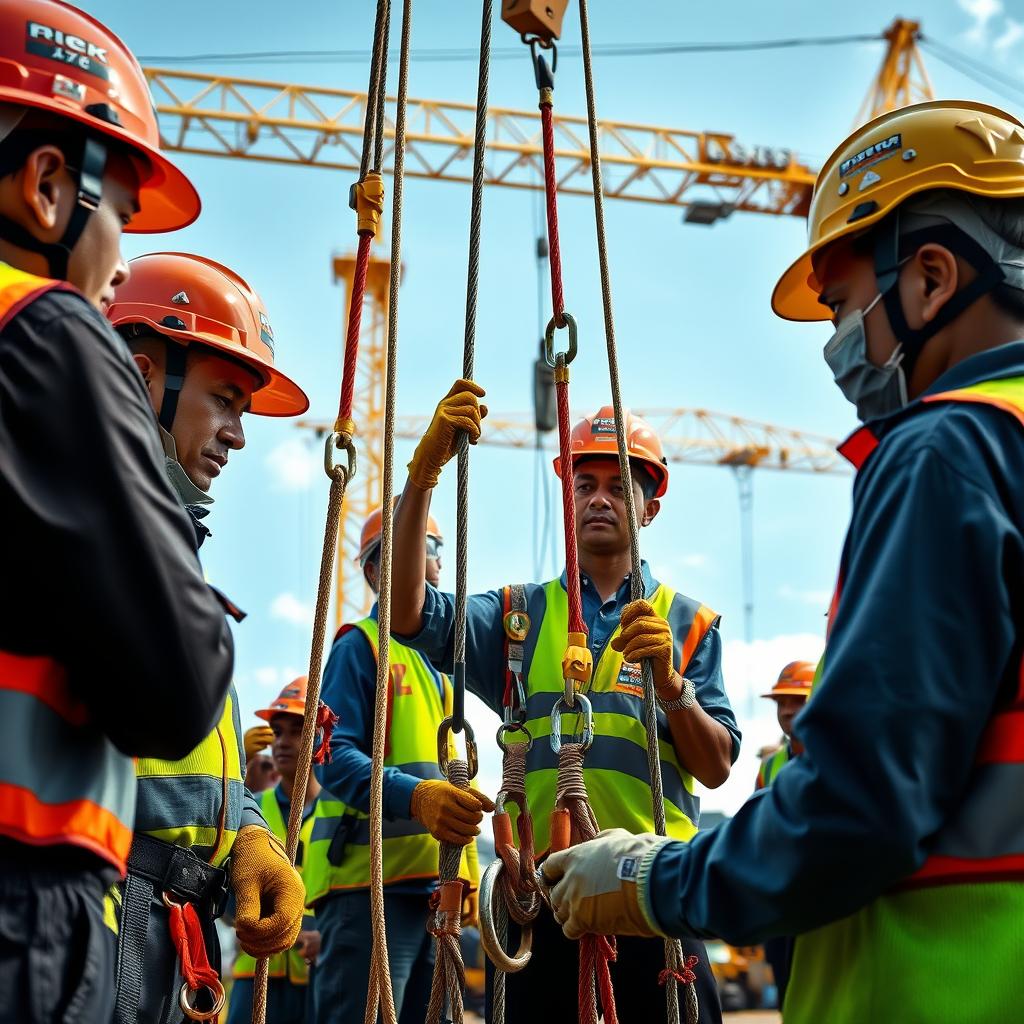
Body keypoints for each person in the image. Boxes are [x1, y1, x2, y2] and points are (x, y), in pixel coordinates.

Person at [541, 99, 1024, 1024]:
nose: (841, 345)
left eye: (842, 306)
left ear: (930, 278)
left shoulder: (950, 452)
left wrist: (649, 879)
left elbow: (856, 806)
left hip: (939, 985)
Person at [0, 3, 235, 1021]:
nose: (122, 267)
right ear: (49, 184)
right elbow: (175, 687)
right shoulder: (45, 328)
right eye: (123, 218)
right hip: (25, 903)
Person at [390, 395, 740, 1023]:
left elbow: (715, 768)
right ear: (566, 499)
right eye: (584, 485)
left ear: (650, 508)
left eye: (618, 486)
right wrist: (422, 479)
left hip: (652, 886)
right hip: (545, 891)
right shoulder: (516, 616)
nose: (598, 499)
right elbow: (408, 612)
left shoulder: (688, 625)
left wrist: (670, 684)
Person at [104, 251, 309, 1023]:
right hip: (105, 913)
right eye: (224, 400)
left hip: (165, 923)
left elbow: (195, 755)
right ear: (143, 379)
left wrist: (247, 835)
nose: (239, 436)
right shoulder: (86, 528)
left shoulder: (173, 551)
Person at [309, 504, 488, 1024]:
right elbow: (329, 757)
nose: (432, 561)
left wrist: (467, 875)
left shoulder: (439, 667)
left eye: (433, 550)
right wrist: (415, 797)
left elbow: (452, 777)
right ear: (373, 571)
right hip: (368, 892)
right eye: (422, 549)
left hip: (433, 892)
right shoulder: (360, 648)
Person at [229, 677, 336, 1024]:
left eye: (296, 731)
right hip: (257, 973)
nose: (282, 742)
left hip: (319, 974)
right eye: (277, 733)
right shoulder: (251, 810)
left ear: (321, 737)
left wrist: (329, 938)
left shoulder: (340, 812)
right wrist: (238, 764)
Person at [754, 661, 813, 1009]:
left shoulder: (840, 757)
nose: (788, 710)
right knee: (789, 999)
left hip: (822, 906)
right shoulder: (770, 767)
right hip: (779, 906)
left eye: (797, 700)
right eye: (781, 702)